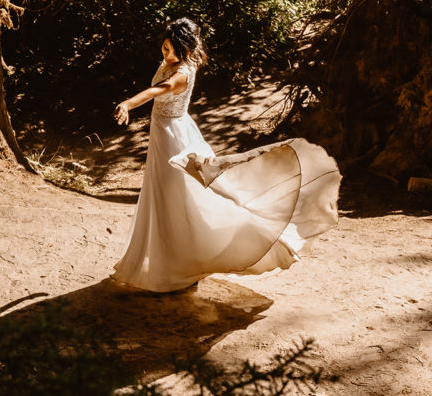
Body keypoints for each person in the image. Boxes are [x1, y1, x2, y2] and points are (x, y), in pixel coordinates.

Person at [110, 18, 341, 292]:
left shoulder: (182, 73)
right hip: (164, 134)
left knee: (176, 197)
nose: (166, 54)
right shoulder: (171, 63)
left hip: (175, 138)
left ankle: (181, 267)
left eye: (171, 50)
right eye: (164, 48)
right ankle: (174, 262)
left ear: (186, 49)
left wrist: (128, 103)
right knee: (165, 197)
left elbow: (158, 91)